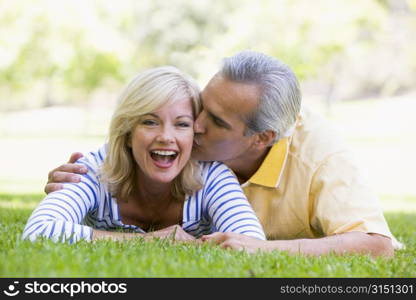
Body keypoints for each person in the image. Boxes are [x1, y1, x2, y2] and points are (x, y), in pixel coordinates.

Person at [44, 51, 400, 256]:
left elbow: (378, 246)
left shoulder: (319, 157)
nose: (193, 126)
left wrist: (265, 250)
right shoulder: (194, 144)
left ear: (261, 138)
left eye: (213, 120)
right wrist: (81, 182)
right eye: (201, 106)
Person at [23, 66, 266, 243]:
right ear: (127, 132)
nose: (165, 136)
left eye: (181, 124)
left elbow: (250, 243)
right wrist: (149, 239)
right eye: (150, 122)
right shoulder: (93, 170)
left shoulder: (211, 176)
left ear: (194, 133)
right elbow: (39, 231)